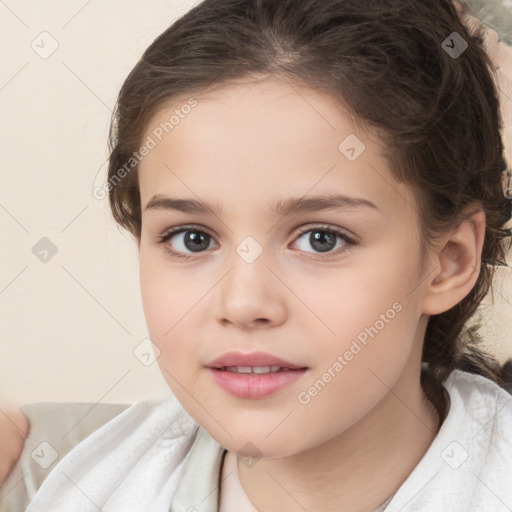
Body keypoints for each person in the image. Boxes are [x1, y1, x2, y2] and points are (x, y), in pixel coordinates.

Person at [1, 0, 512, 510]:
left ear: (450, 260)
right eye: (192, 238)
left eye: (321, 239)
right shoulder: (67, 481)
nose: (243, 303)